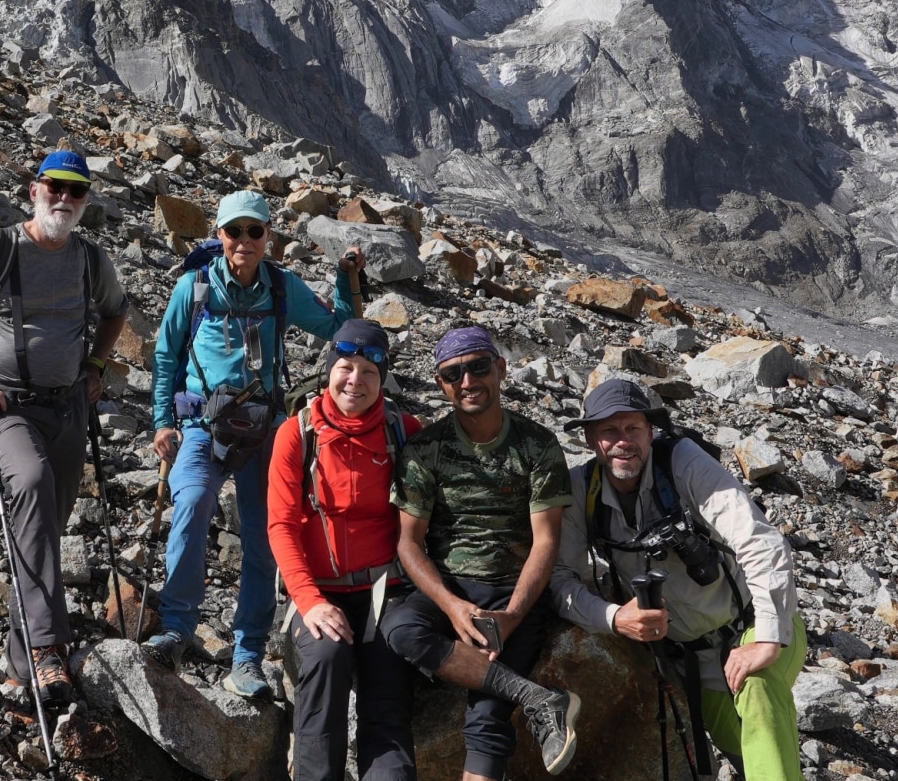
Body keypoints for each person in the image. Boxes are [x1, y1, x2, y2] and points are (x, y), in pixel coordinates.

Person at [0, 150, 130, 703]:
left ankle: (18, 668)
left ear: (85, 201)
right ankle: (47, 652)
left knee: (42, 535)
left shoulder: (89, 258)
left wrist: (97, 366)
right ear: (34, 189)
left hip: (69, 409)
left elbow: (115, 313)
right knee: (31, 487)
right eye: (54, 186)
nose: (64, 198)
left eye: (75, 191)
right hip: (9, 410)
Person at [147, 189, 365, 698]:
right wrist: (162, 422)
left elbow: (339, 329)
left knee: (268, 535)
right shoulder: (194, 287)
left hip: (263, 429)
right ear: (219, 235)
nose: (243, 241)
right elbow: (164, 357)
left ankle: (247, 655)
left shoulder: (282, 288)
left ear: (268, 236)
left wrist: (345, 277)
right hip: (201, 424)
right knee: (194, 503)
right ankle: (177, 629)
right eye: (233, 231)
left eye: (254, 231)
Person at [548, 379, 804, 781]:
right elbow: (560, 580)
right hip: (692, 662)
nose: (623, 442)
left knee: (756, 688)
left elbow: (759, 541)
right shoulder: (582, 490)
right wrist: (615, 618)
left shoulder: (682, 461)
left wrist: (769, 638)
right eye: (609, 431)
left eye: (633, 429)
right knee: (749, 750)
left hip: (753, 625)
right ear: (589, 438)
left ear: (650, 432)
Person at [380, 326, 580, 780]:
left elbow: (546, 540)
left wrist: (511, 614)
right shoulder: (425, 449)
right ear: (441, 384)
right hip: (448, 589)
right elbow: (408, 542)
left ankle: (528, 700)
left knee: (487, 717)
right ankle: (536, 697)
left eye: (478, 367)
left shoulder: (537, 445)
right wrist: (451, 607)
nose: (468, 381)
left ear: (500, 369)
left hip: (513, 590)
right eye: (454, 374)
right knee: (400, 627)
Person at [267, 320, 423, 781]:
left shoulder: (404, 431)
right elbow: (280, 525)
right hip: (320, 592)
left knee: (388, 683)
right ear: (329, 370)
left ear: (383, 379)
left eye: (369, 372)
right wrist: (310, 601)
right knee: (326, 658)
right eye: (346, 368)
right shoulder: (297, 434)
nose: (355, 380)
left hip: (386, 590)